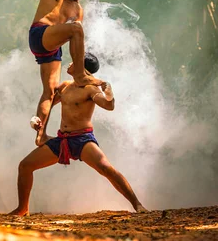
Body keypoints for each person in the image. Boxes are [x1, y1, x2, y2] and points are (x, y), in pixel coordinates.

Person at [10, 53, 148, 215]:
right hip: (62, 139)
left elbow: (109, 106)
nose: (70, 63)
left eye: (74, 61)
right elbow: (48, 103)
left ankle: (138, 205)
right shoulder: (65, 86)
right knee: (25, 166)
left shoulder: (90, 89)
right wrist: (40, 124)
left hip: (82, 139)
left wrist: (109, 94)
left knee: (105, 168)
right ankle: (22, 209)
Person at [29, 0, 102, 146]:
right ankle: (80, 74)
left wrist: (83, 63)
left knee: (51, 93)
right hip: (40, 34)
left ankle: (40, 135)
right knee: (76, 29)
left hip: (53, 48)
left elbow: (74, 43)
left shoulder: (78, 10)